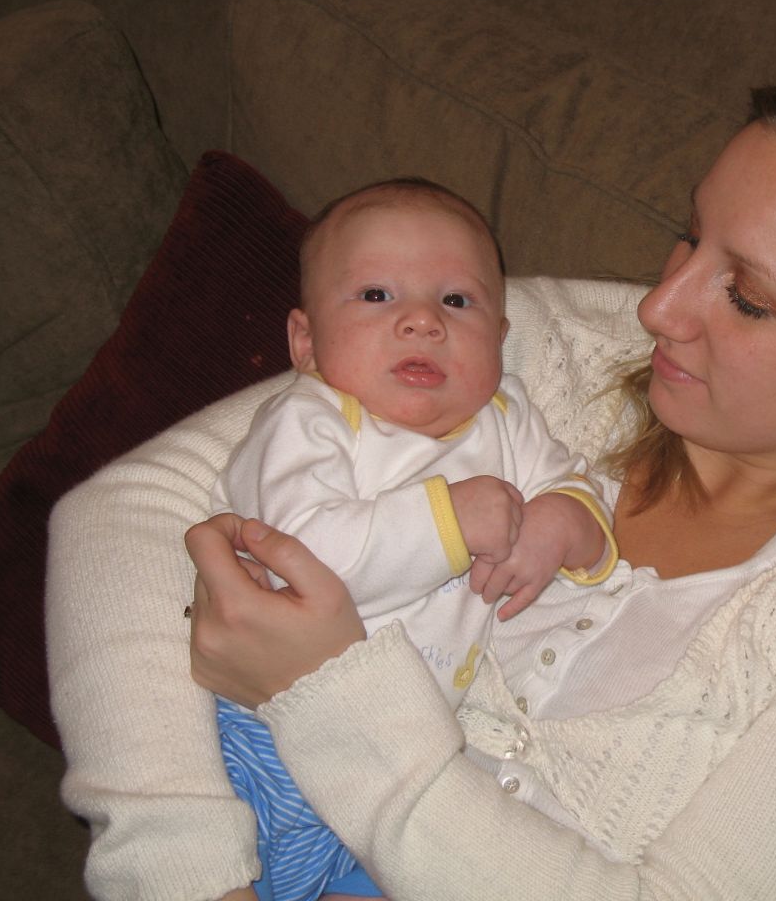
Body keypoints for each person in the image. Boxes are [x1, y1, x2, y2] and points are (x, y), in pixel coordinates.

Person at [48, 73, 776, 901]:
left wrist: (324, 686)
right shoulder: (543, 344)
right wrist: (187, 873)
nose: (659, 307)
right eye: (685, 236)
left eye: (744, 297)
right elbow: (121, 518)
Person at [209, 177, 618, 900]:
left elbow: (574, 485)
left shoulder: (506, 418)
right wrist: (451, 523)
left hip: (407, 756)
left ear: (499, 337)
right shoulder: (309, 423)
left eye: (456, 301)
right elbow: (306, 555)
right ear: (305, 341)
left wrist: (563, 524)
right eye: (376, 296)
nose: (422, 322)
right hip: (267, 735)